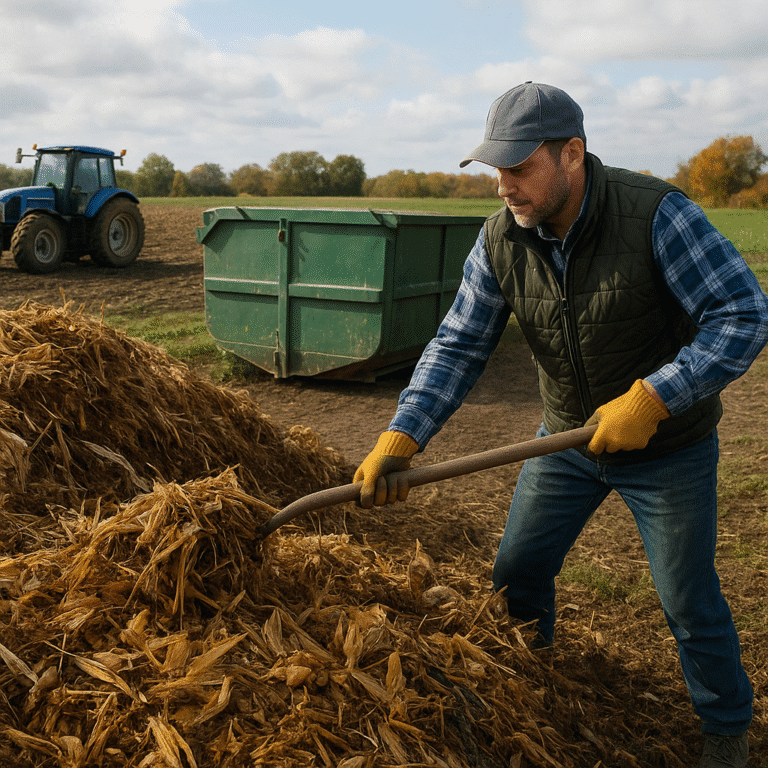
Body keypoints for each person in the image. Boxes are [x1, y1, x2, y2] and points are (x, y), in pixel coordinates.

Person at [354, 82, 768, 768]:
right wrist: (403, 436)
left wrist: (655, 398)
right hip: (566, 440)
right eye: (496, 170)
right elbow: (459, 344)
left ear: (572, 154)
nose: (504, 187)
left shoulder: (656, 216)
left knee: (688, 601)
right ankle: (531, 685)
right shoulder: (500, 241)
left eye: (519, 169)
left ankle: (727, 728)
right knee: (516, 575)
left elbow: (744, 314)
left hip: (669, 446)